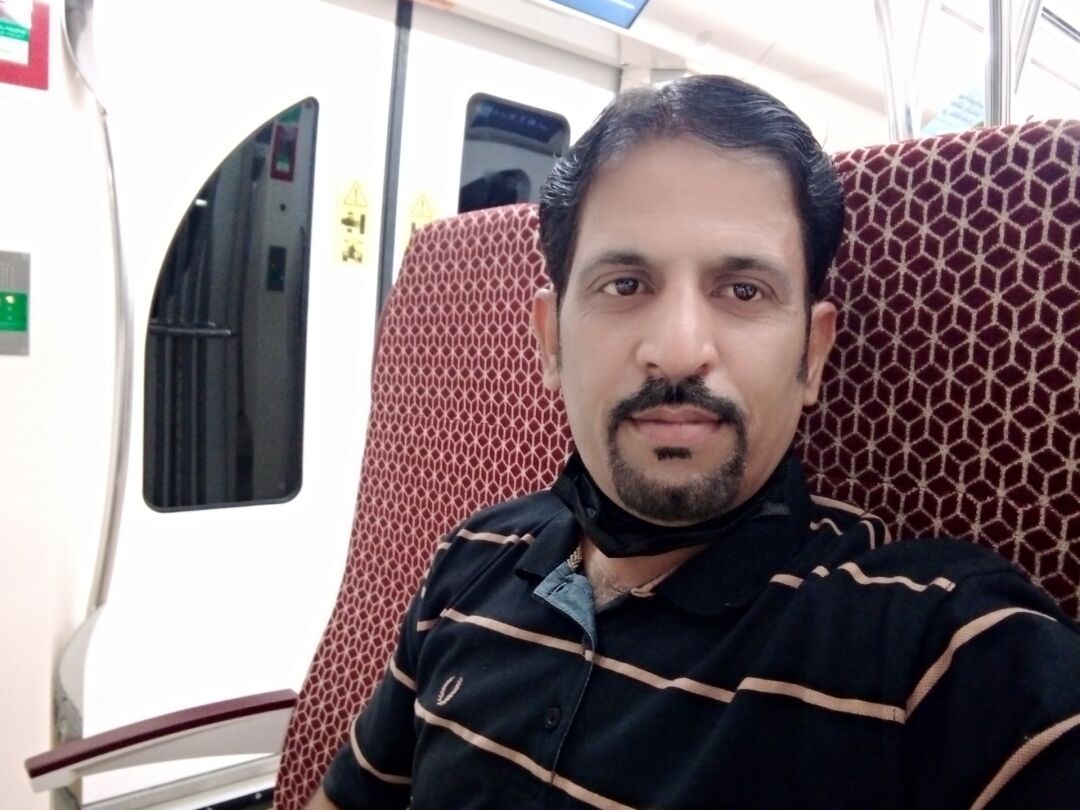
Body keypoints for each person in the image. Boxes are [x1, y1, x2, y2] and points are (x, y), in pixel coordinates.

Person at [306, 76, 1080, 809]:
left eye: (743, 290)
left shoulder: (945, 654)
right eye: (625, 285)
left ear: (812, 355)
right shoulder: (470, 558)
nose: (677, 352)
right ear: (551, 342)